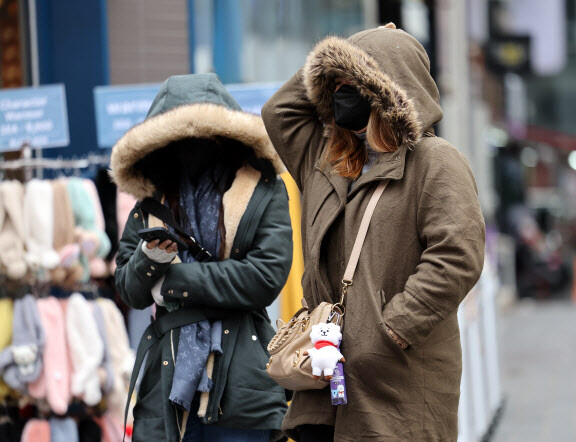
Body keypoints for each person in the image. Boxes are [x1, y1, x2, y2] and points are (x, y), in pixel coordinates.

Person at [262, 23, 486, 441]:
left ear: (386, 91)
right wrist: (347, 48)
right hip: (323, 382)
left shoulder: (436, 162)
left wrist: (390, 331)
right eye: (336, 86)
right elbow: (280, 112)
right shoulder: (327, 158)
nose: (341, 95)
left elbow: (457, 256)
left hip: (398, 386)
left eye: (354, 84)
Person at [111, 73, 293, 442]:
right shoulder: (150, 203)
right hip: (163, 388)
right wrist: (149, 260)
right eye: (176, 138)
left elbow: (265, 277)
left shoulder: (263, 191)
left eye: (202, 136)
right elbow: (129, 290)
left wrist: (174, 283)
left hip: (242, 390)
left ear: (225, 136)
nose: (191, 147)